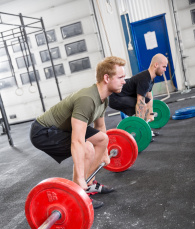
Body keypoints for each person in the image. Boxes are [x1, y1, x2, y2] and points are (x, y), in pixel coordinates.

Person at [30, 56, 126, 209]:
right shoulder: (87, 99)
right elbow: (77, 141)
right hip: (43, 132)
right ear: (106, 78)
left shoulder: (104, 98)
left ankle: (89, 183)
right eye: (121, 77)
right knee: (87, 148)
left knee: (102, 139)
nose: (124, 81)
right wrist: (79, 177)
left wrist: (104, 154)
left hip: (63, 127)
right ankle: (78, 192)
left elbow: (100, 128)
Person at [109, 53, 168, 137]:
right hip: (116, 98)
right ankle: (141, 133)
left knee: (145, 102)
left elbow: (149, 97)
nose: (165, 69)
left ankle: (145, 131)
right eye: (164, 67)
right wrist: (140, 125)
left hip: (125, 96)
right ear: (156, 65)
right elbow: (140, 104)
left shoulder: (151, 79)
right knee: (142, 106)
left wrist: (150, 114)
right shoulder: (145, 79)